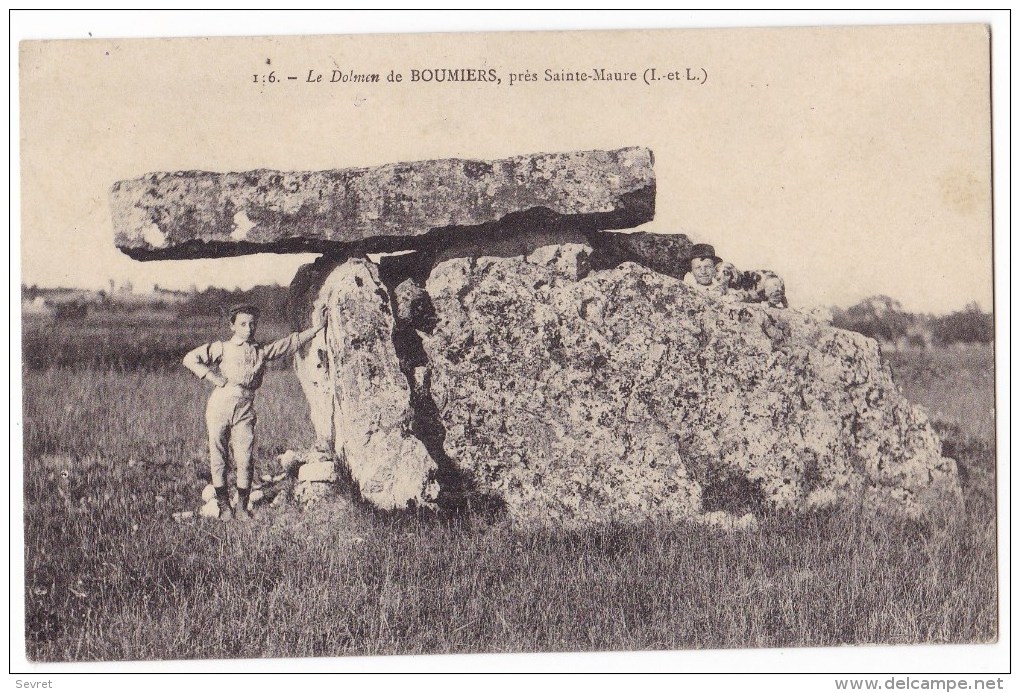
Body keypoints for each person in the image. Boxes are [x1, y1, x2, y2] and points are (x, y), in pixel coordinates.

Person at [183, 302, 327, 521]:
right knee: (218, 454)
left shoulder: (260, 351)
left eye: (252, 324)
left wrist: (316, 329)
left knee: (245, 457)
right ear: (232, 325)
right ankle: (223, 507)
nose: (249, 328)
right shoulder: (222, 347)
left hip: (245, 407)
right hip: (220, 404)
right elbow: (190, 359)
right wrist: (212, 376)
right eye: (243, 324)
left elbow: (289, 343)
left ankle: (241, 507)